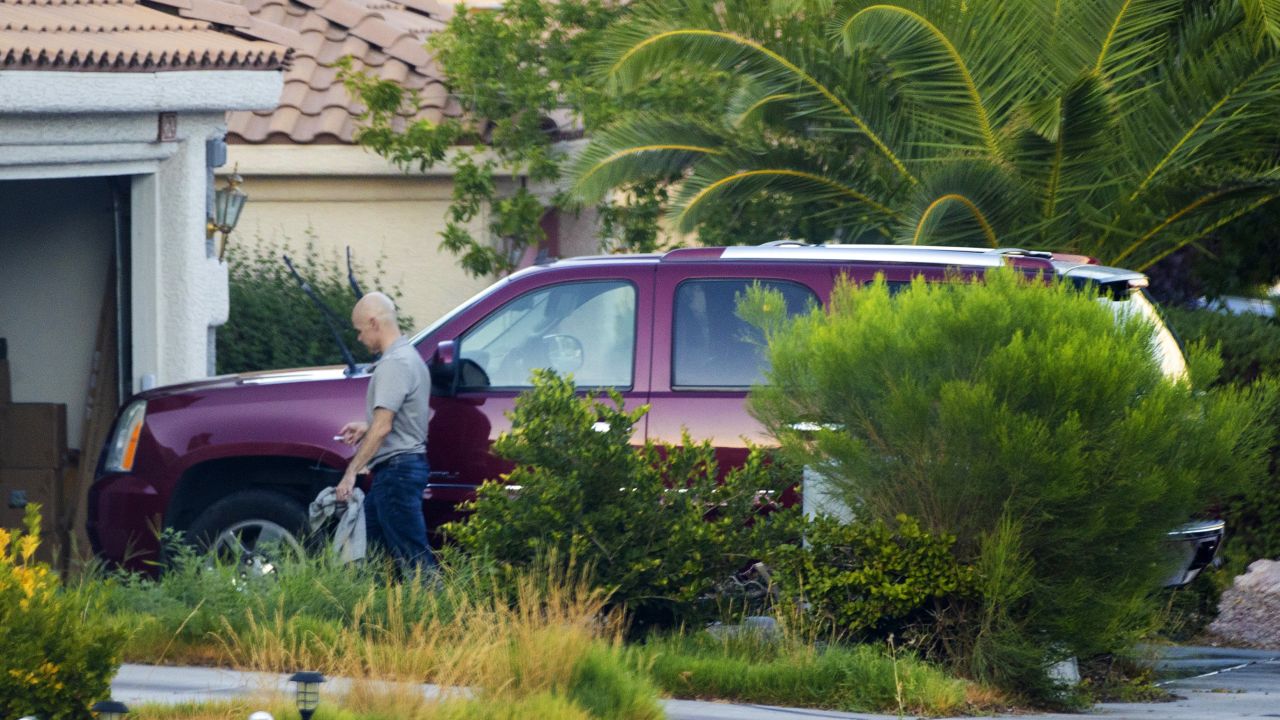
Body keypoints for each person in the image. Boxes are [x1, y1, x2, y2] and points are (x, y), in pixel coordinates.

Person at [335, 291, 433, 572]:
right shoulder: (410, 358)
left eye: (359, 330)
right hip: (399, 472)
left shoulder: (394, 364)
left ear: (373, 322)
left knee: (413, 559)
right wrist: (367, 427)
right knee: (371, 555)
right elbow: (398, 418)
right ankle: (374, 611)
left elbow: (383, 427)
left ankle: (441, 613)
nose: (359, 338)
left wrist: (352, 472)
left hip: (397, 474)